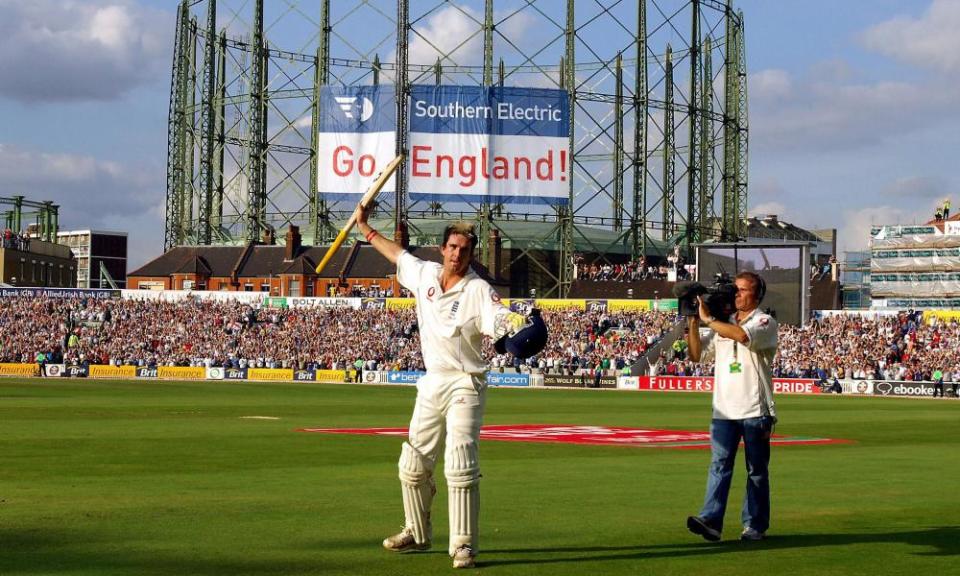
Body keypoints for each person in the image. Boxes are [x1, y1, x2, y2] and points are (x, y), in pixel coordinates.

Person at [356, 206, 537, 569]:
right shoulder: (424, 273)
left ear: (471, 254)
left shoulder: (479, 290)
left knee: (459, 464)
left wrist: (517, 324)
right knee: (412, 464)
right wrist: (365, 228)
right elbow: (397, 253)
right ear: (442, 249)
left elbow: (499, 320)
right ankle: (416, 532)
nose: (458, 253)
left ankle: (464, 546)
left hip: (466, 383)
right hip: (432, 381)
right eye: (453, 247)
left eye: (465, 249)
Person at [684, 271, 779, 542]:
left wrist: (710, 320)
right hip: (723, 411)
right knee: (719, 465)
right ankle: (711, 520)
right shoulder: (721, 324)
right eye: (734, 289)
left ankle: (755, 526)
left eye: (743, 289)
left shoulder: (764, 321)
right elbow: (695, 355)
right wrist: (692, 320)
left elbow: (741, 336)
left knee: (756, 472)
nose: (736, 294)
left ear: (757, 294)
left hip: (755, 410)